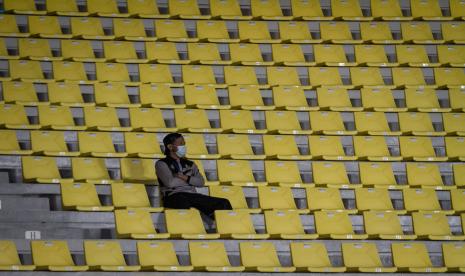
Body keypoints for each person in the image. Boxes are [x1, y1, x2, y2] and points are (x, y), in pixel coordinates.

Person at [155, 133, 232, 219]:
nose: (184, 146)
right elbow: (170, 183)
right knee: (183, 201)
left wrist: (185, 177)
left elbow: (201, 182)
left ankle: (225, 227)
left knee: (224, 203)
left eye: (184, 143)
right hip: (173, 196)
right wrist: (191, 180)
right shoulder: (161, 163)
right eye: (180, 144)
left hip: (192, 195)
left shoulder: (190, 164)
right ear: (170, 147)